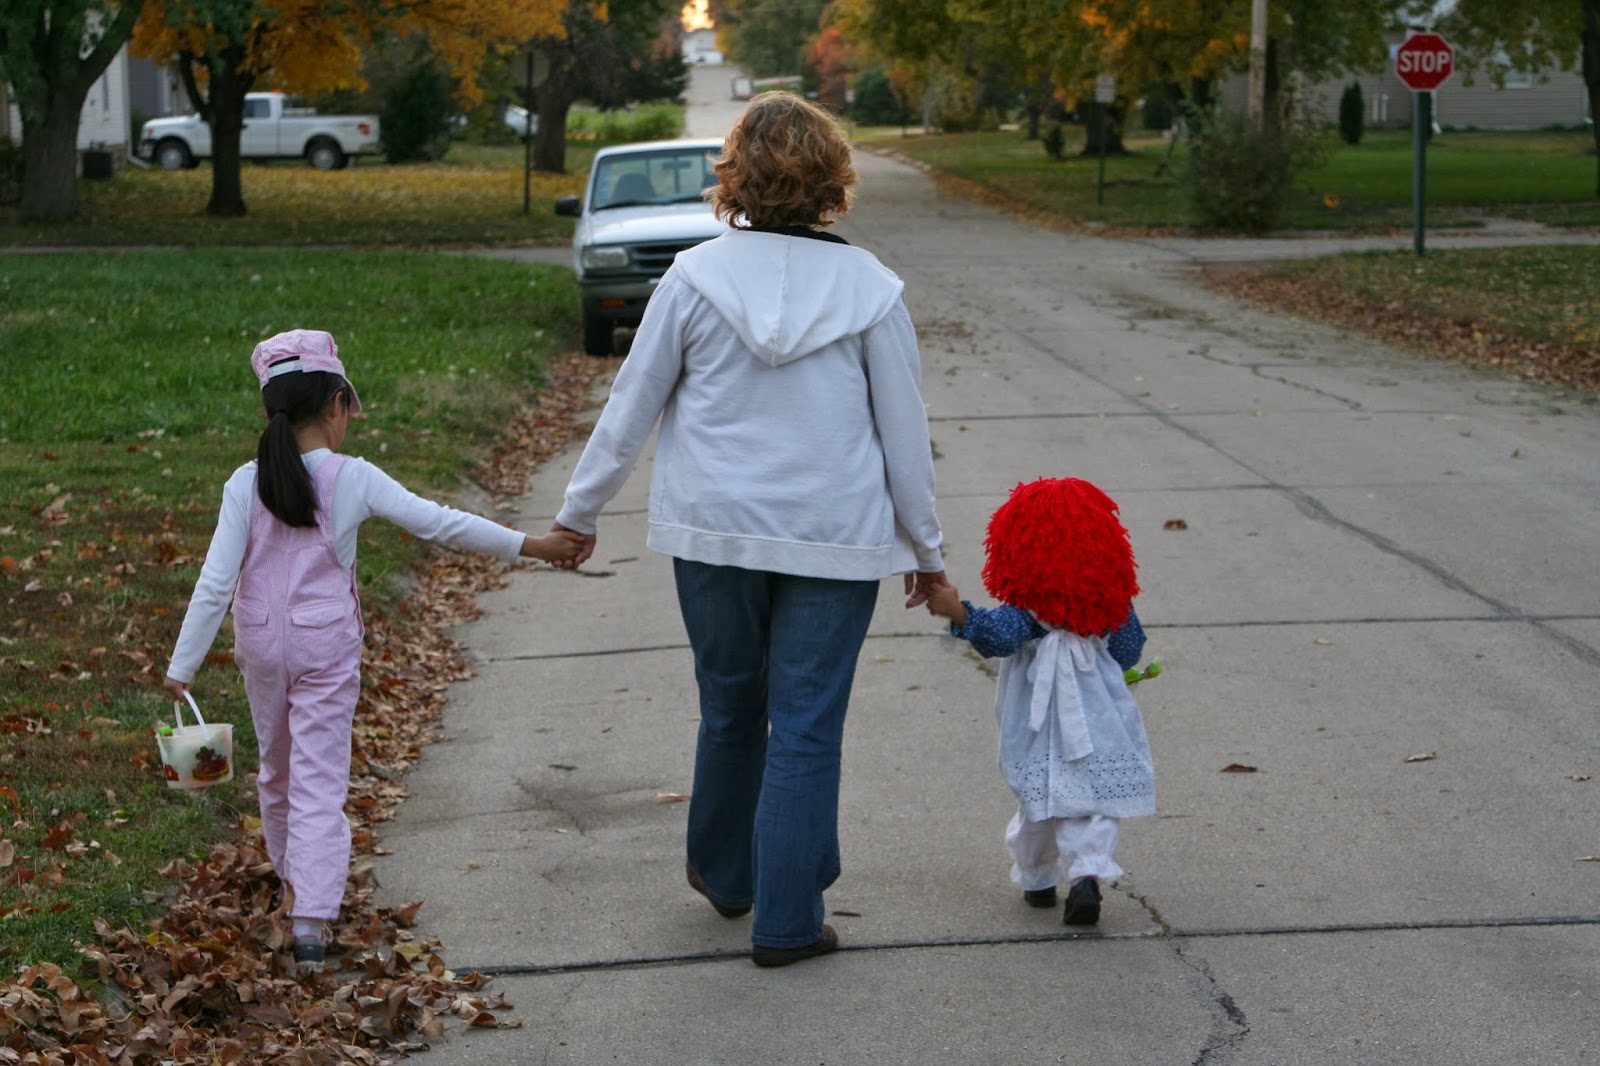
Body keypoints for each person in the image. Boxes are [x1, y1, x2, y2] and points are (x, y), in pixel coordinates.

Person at [550, 92, 947, 967]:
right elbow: (904, 434)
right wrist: (928, 552)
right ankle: (788, 919)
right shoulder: (872, 290)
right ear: (833, 180)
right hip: (833, 538)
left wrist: (579, 513)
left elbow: (631, 405)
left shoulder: (693, 279)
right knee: (806, 726)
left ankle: (731, 877)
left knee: (731, 706)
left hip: (715, 533)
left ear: (734, 176)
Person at [162, 329, 583, 969]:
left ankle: (292, 882)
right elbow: (441, 522)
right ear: (335, 406)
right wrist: (533, 546)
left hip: (261, 647)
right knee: (318, 781)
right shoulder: (351, 478)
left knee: (277, 771)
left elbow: (216, 580)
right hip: (325, 650)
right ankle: (310, 921)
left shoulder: (244, 483)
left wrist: (183, 665)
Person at [925, 477, 1154, 926]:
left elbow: (999, 637)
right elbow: (1129, 650)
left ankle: (1037, 878)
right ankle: (1088, 870)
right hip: (1098, 714)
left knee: (1042, 797)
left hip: (1039, 718)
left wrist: (959, 612)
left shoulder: (1027, 610)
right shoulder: (1114, 605)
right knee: (1093, 797)